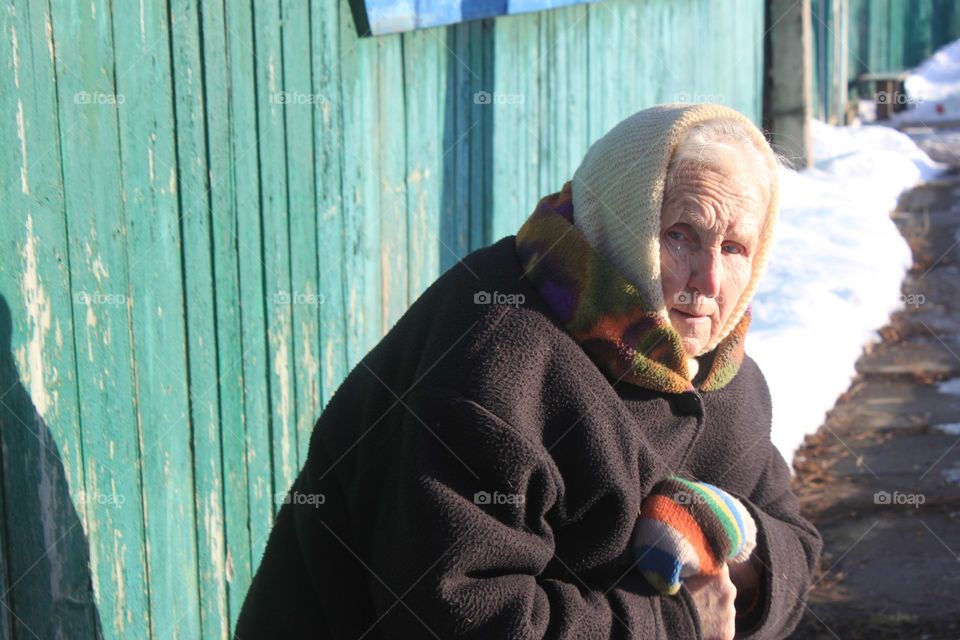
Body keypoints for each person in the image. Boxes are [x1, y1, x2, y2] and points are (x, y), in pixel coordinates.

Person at [235, 103, 823, 640]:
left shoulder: (716, 371)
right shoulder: (494, 356)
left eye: (734, 248)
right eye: (679, 236)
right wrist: (675, 622)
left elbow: (795, 543)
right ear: (619, 222)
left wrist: (726, 534)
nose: (710, 281)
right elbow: (460, 615)